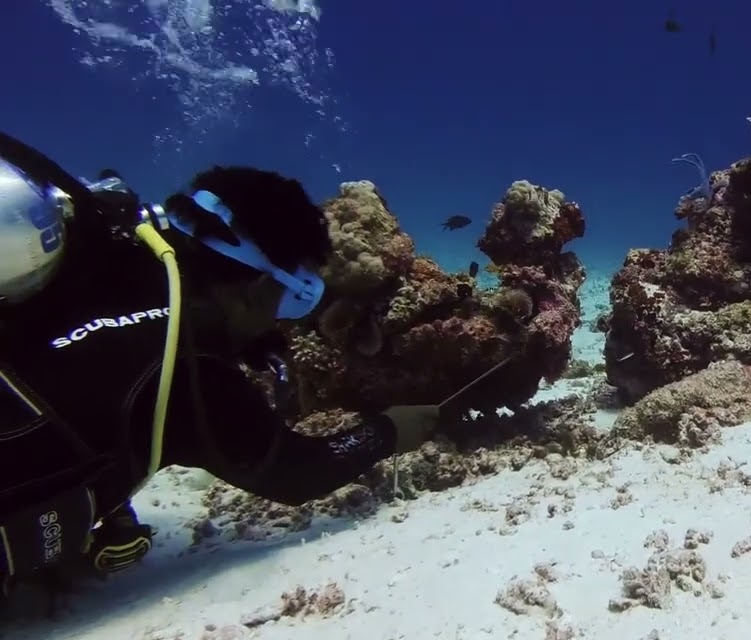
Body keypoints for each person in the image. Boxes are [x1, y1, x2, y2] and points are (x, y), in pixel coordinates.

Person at [0, 132, 441, 591]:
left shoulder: (115, 260)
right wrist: (387, 431)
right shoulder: (190, 362)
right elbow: (294, 471)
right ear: (258, 288)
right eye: (293, 299)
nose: (281, 322)